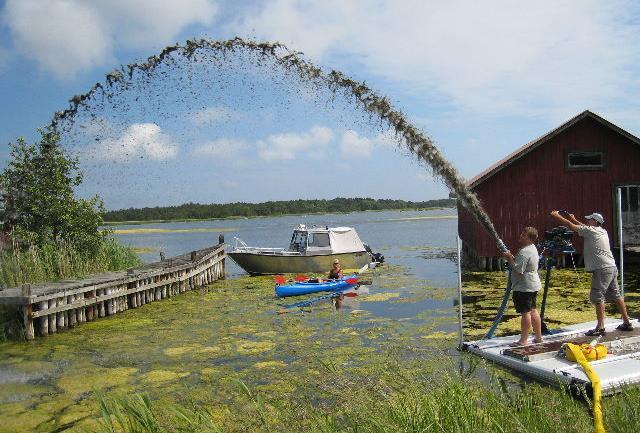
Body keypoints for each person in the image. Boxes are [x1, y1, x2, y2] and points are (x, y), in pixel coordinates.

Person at [550, 210, 633, 336]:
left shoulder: (590, 231)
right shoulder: (602, 231)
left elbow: (572, 227)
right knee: (616, 295)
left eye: (590, 219)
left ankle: (600, 327)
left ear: (595, 221)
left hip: (601, 269)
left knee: (597, 296)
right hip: (611, 266)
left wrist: (557, 216)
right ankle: (627, 323)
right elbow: (583, 227)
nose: (588, 221)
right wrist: (574, 218)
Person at [501, 227, 543, 346]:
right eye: (522, 233)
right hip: (533, 285)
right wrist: (513, 258)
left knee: (525, 313)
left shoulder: (524, 252)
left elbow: (519, 270)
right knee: (533, 310)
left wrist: (509, 258)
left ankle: (523, 340)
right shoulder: (532, 248)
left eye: (524, 235)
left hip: (524, 287)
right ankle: (539, 337)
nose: (521, 236)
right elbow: (523, 265)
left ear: (530, 238)